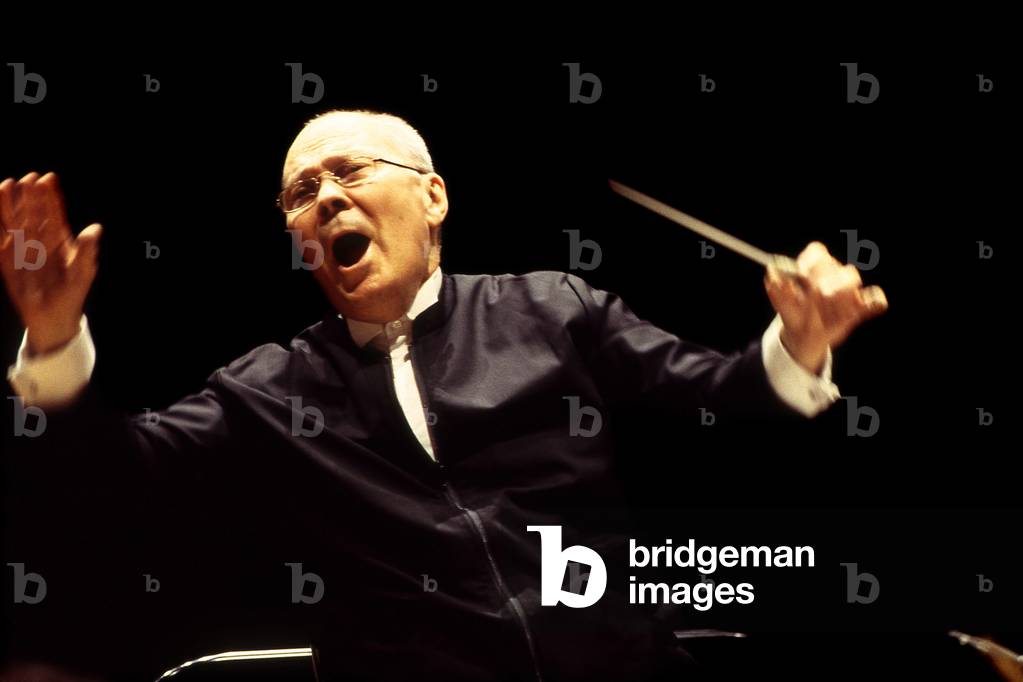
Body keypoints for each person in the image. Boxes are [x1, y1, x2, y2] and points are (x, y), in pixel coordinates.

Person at [1, 110, 888, 682]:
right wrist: (52, 338)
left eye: (349, 172)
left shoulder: (550, 308)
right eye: (301, 194)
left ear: (432, 197)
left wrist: (800, 339)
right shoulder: (270, 387)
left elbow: (721, 397)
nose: (325, 200)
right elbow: (108, 475)